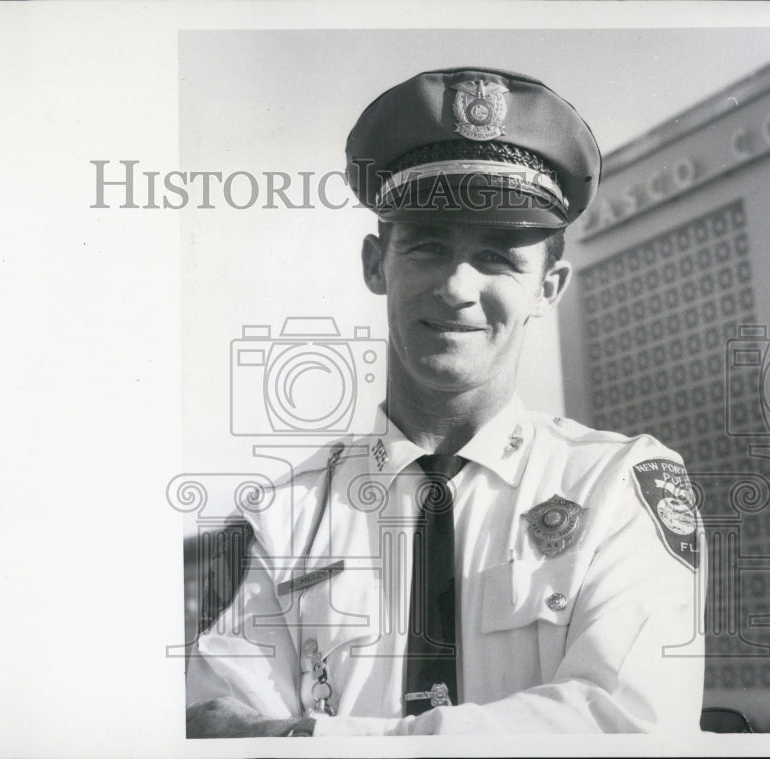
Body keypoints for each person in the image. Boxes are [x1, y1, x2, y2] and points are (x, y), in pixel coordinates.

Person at [184, 67, 706, 737]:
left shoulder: (619, 488)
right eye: (429, 246)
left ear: (549, 287)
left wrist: (310, 735)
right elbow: (221, 736)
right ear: (376, 264)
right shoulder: (279, 521)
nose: (457, 286)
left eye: (496, 257)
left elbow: (628, 728)